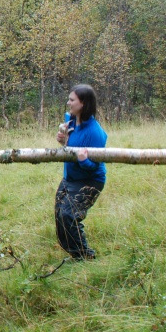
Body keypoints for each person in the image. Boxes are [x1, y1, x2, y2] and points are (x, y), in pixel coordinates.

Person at [54, 84, 107, 260]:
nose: (68, 103)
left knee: (68, 216)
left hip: (89, 180)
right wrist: (63, 140)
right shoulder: (71, 120)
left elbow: (94, 166)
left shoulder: (95, 133)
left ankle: (85, 255)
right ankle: (74, 253)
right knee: (60, 215)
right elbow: (70, 147)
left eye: (72, 100)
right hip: (70, 177)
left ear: (83, 103)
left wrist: (84, 160)